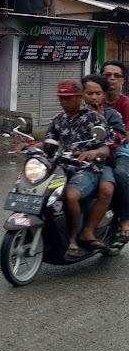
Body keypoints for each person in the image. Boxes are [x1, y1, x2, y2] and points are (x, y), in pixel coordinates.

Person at [43, 80, 112, 259]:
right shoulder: (58, 119)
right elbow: (50, 143)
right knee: (40, 191)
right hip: (62, 166)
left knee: (71, 195)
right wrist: (29, 146)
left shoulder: (95, 118)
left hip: (88, 169)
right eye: (61, 99)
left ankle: (73, 238)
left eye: (68, 98)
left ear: (79, 97)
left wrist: (94, 152)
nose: (64, 102)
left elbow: (106, 149)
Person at [79, 74, 126, 247]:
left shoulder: (112, 115)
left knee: (106, 189)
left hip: (103, 163)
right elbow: (57, 136)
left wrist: (102, 121)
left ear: (104, 95)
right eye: (89, 93)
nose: (93, 97)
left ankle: (88, 231)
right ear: (81, 94)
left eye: (98, 93)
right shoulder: (74, 114)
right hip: (73, 162)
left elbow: (119, 138)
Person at [100, 60, 129, 242]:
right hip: (96, 148)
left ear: (123, 80)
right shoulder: (94, 99)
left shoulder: (126, 104)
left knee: (119, 173)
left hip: (122, 150)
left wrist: (116, 140)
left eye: (116, 76)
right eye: (107, 75)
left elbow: (126, 134)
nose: (111, 79)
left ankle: (125, 218)